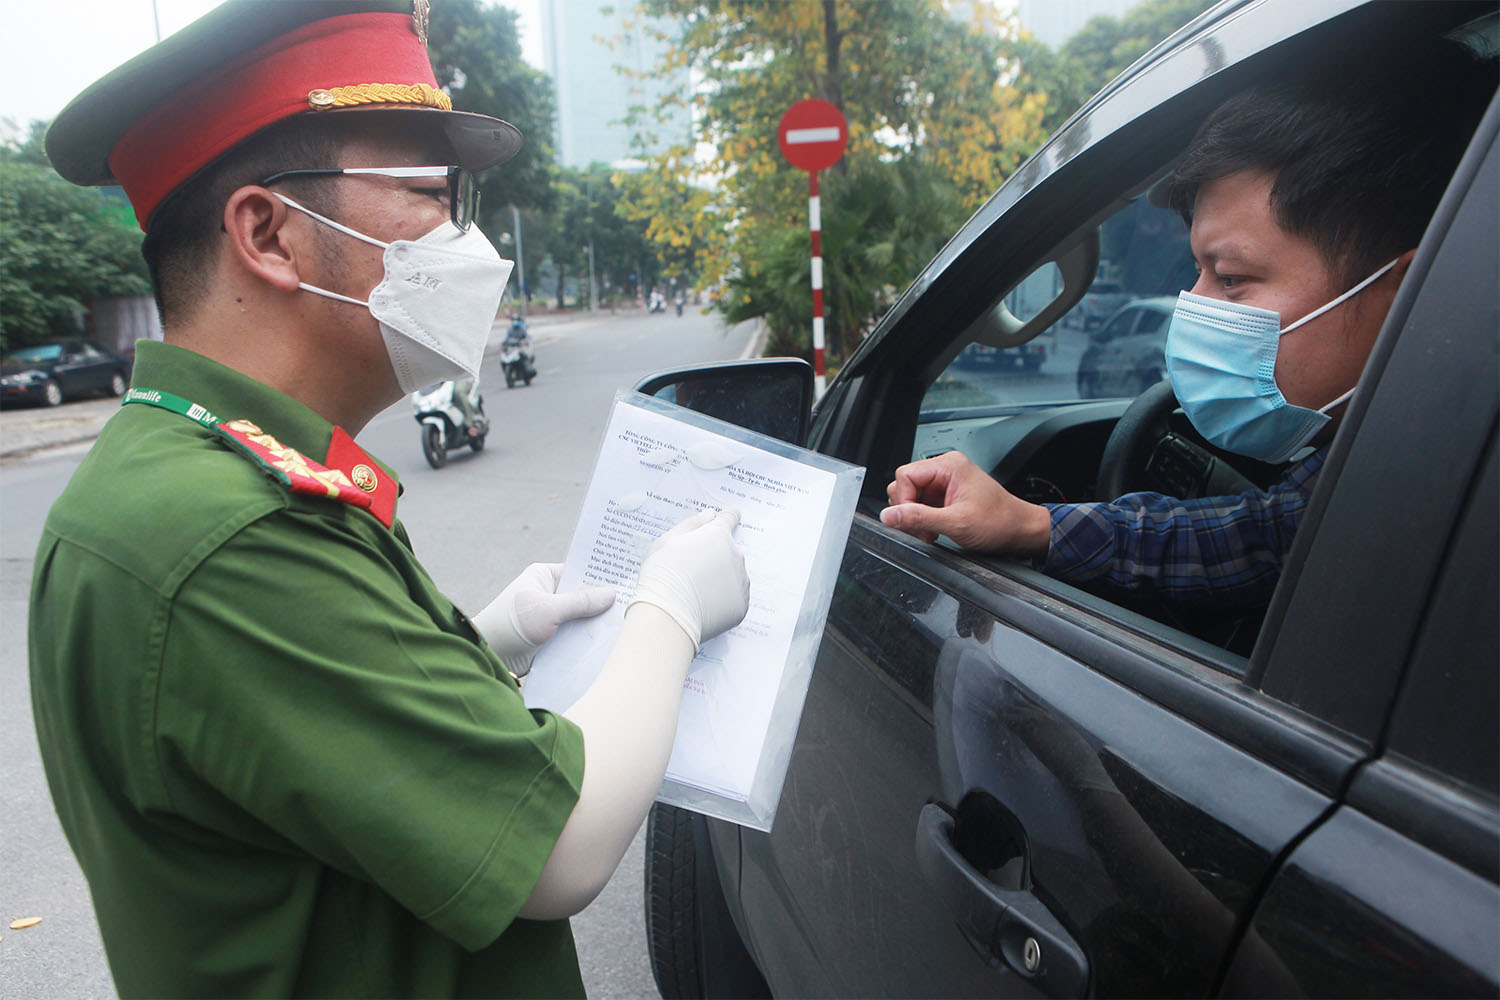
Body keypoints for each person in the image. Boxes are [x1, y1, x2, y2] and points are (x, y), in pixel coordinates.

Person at [28, 2, 748, 996]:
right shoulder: (230, 529)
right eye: (429, 195)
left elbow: (289, 756)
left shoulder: (181, 471)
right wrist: (669, 605)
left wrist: (491, 641)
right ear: (268, 233)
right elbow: (559, 849)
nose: (466, 241)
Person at [883, 36, 1494, 611]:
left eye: (1229, 278)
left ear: (1412, 291)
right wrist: (1032, 525)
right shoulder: (1388, 459)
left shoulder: (1455, 498)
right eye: (1198, 271)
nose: (1193, 304)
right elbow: (1269, 536)